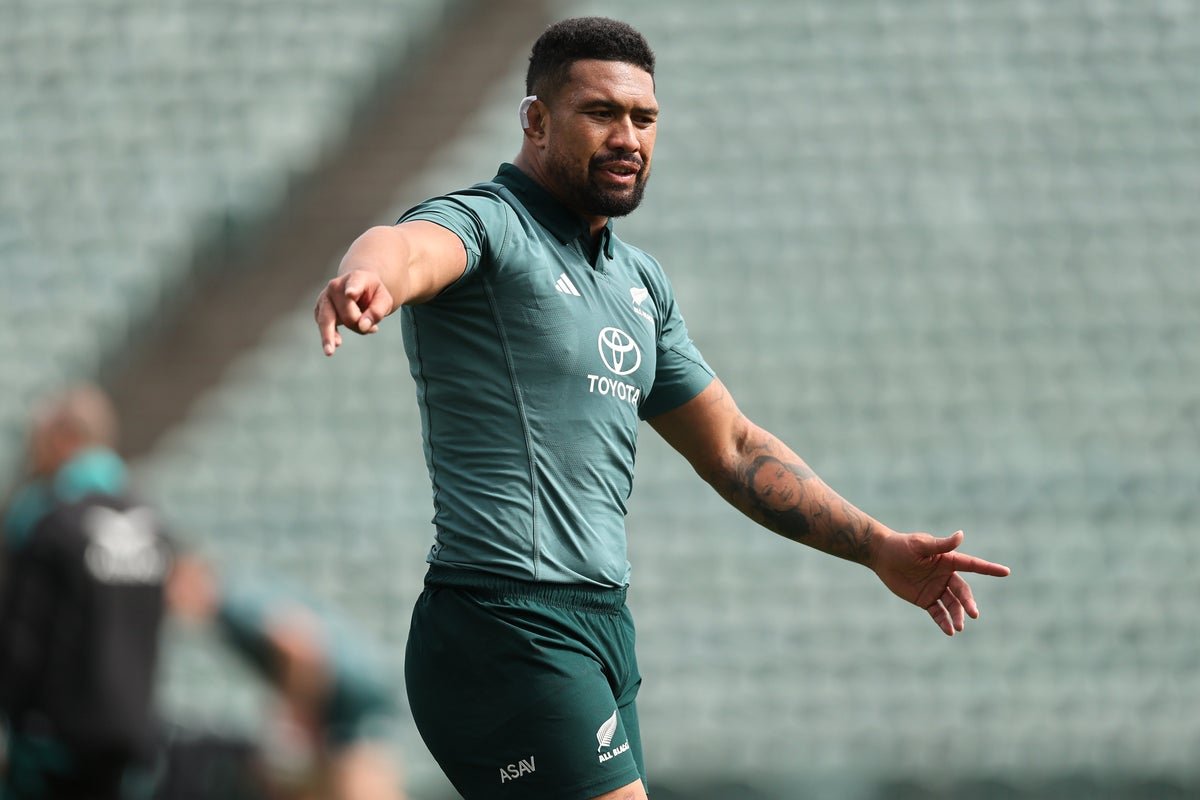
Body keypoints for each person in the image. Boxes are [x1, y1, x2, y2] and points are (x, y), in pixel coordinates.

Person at [312, 17, 1011, 800]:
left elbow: (734, 449)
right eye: (600, 113)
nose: (628, 138)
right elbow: (406, 245)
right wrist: (370, 277)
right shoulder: (491, 225)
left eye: (644, 118)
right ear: (536, 121)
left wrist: (877, 546)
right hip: (502, 625)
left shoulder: (638, 283)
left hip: (600, 629)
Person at [0, 384, 174, 800]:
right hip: (130, 746)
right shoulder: (154, 525)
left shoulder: (45, 521)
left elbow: (20, 642)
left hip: (53, 752)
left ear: (64, 439)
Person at [166, 554, 405, 800]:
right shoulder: (238, 590)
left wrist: (298, 717)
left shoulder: (230, 601)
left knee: (352, 782)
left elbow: (300, 645)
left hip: (344, 693)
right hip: (346, 688)